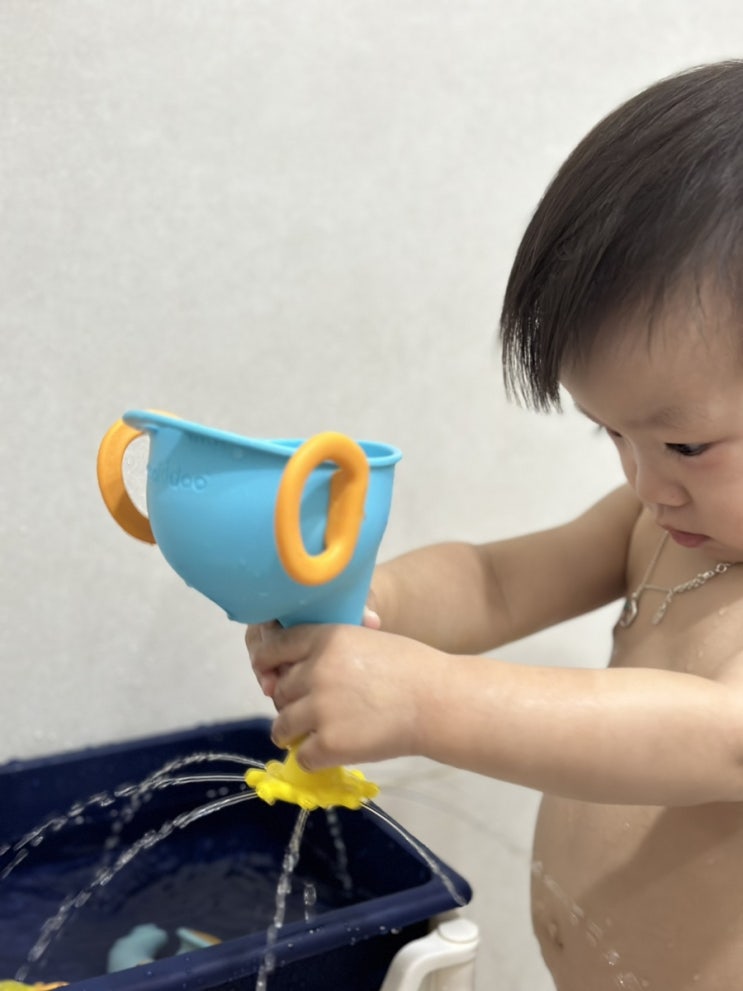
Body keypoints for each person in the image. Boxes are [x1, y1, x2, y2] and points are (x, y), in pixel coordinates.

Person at [247, 61, 743, 990]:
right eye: (610, 433)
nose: (644, 481)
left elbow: (718, 736)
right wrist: (370, 602)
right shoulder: (664, 521)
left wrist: (427, 701)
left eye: (683, 444)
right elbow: (497, 581)